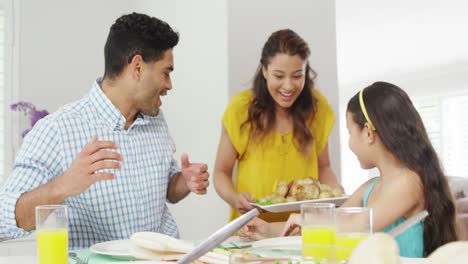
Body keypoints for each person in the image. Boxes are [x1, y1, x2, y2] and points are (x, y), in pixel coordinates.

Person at [0, 12, 210, 248]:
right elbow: (5, 219)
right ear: (138, 67)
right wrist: (62, 186)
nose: (169, 85)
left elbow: (167, 192)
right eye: (166, 72)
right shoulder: (58, 130)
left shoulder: (155, 119)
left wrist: (184, 181)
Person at [238, 82, 458, 257]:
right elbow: (330, 225)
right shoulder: (370, 187)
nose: (350, 143)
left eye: (350, 132)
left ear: (368, 133)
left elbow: (358, 224)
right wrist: (266, 230)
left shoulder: (409, 182)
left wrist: (308, 218)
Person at [213, 29, 342, 223]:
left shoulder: (318, 108)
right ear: (264, 70)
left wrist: (335, 193)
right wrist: (234, 198)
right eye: (279, 76)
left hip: (302, 231)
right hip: (251, 230)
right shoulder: (241, 109)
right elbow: (221, 172)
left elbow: (324, 166)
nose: (288, 86)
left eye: (297, 75)